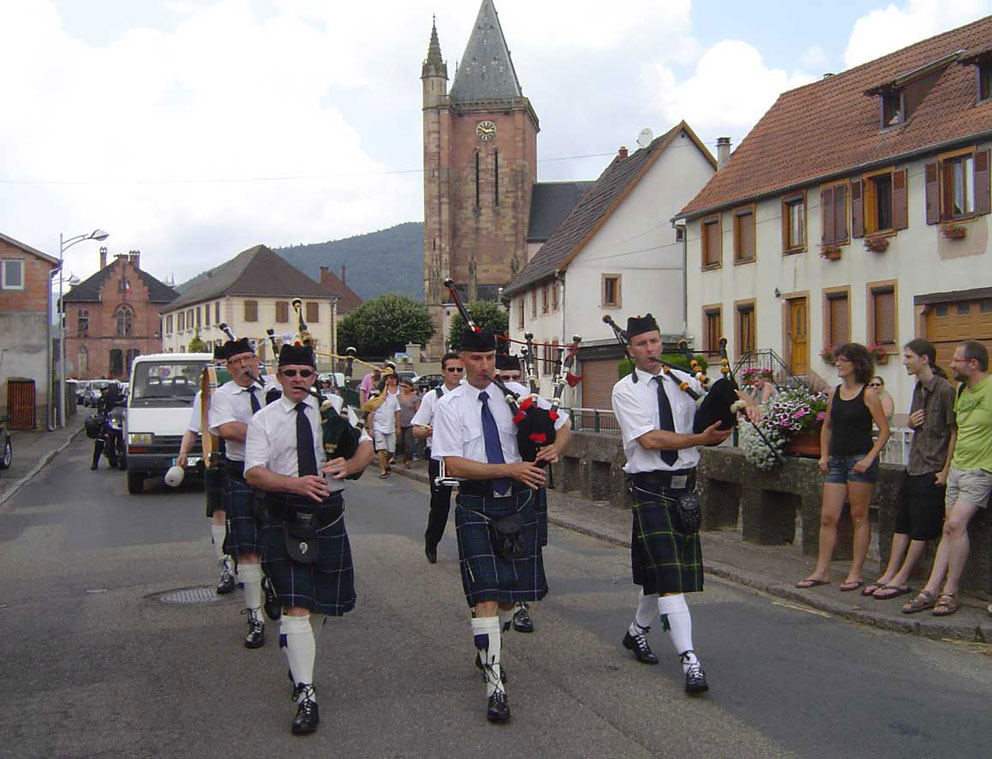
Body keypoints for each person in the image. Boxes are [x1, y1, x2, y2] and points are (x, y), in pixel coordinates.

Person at [432, 327, 570, 723]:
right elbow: (451, 464)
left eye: (490, 358)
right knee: (486, 594)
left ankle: (489, 643)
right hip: (476, 503)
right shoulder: (450, 405)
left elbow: (564, 422)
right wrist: (508, 468)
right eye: (476, 359)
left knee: (509, 597)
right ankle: (495, 684)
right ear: (461, 361)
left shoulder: (515, 397)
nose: (484, 366)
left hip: (517, 504)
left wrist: (554, 448)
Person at [245, 343, 374, 735]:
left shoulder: (335, 407)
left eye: (305, 373)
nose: (299, 380)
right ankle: (305, 691)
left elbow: (367, 445)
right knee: (296, 606)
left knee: (316, 607)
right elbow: (253, 472)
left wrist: (350, 464)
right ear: (279, 377)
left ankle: (301, 665)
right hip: (284, 513)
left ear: (314, 376)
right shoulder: (264, 419)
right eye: (291, 374)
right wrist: (294, 484)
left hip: (329, 512)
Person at [611, 314, 731, 695]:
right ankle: (690, 661)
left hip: (684, 490)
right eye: (643, 344)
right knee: (671, 578)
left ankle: (636, 632)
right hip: (649, 488)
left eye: (656, 341)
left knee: (659, 575)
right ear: (630, 351)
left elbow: (712, 412)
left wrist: (738, 406)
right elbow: (649, 440)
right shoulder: (624, 390)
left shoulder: (685, 381)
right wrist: (698, 438)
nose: (651, 349)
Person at [902, 340, 992, 617]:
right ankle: (931, 589)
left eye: (956, 360)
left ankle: (950, 591)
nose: (951, 364)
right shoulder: (962, 390)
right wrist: (947, 467)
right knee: (948, 530)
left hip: (981, 469)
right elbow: (956, 431)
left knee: (955, 523)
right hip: (956, 470)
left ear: (972, 363)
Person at [864, 339, 956, 600]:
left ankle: (902, 578)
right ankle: (889, 574)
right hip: (913, 465)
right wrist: (914, 424)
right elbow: (919, 424)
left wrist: (946, 470)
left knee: (922, 527)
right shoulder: (918, 388)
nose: (904, 361)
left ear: (925, 359)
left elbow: (953, 432)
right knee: (901, 523)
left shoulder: (945, 390)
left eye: (908, 357)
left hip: (932, 468)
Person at [797, 343, 890, 592]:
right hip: (837, 460)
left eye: (843, 360)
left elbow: (884, 431)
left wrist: (869, 458)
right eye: (837, 360)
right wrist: (824, 455)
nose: (838, 364)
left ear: (856, 365)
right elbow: (827, 426)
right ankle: (822, 570)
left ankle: (856, 572)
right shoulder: (835, 393)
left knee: (859, 516)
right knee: (828, 517)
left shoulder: (868, 394)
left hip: (859, 459)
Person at [208, 337, 279, 648]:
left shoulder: (274, 386)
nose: (244, 366)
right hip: (242, 475)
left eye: (249, 359)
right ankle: (255, 616)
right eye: (237, 362)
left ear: (257, 360)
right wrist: (272, 431)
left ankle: (273, 586)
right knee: (247, 549)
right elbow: (228, 430)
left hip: (278, 473)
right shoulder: (223, 395)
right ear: (228, 367)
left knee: (276, 542)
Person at [178, 346, 235, 594]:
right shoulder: (205, 394)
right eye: (217, 364)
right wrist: (182, 453)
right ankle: (226, 567)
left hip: (245, 457)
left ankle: (254, 568)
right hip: (217, 457)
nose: (219, 369)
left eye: (225, 363)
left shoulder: (249, 391)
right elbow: (194, 428)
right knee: (220, 513)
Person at [495, 353, 537, 633]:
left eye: (515, 378)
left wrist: (552, 447)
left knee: (528, 549)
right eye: (505, 378)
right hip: (492, 484)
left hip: (529, 483)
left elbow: (560, 428)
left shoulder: (528, 399)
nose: (512, 383)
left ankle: (522, 605)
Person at [411, 352, 464, 564]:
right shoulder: (432, 397)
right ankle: (431, 542)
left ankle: (469, 546)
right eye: (451, 370)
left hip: (465, 457)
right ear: (443, 371)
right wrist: (431, 431)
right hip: (440, 459)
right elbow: (416, 430)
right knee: (440, 506)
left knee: (468, 504)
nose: (456, 374)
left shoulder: (469, 394)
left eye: (459, 369)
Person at [369, 374, 401, 478]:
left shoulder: (393, 398)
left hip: (390, 427)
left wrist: (398, 427)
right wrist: (371, 429)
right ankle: (383, 470)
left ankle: (385, 463)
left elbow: (397, 413)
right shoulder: (374, 399)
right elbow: (370, 414)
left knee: (391, 451)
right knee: (381, 449)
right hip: (378, 427)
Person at [90, 383, 124, 469]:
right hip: (108, 421)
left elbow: (124, 409)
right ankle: (95, 462)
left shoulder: (121, 398)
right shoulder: (102, 400)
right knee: (100, 439)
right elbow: (101, 411)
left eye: (108, 390)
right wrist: (100, 418)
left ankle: (124, 458)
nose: (106, 392)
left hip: (119, 422)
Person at [396, 380, 421, 470]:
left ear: (410, 387)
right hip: (399, 422)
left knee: (409, 443)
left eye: (405, 386)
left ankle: (408, 460)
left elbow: (418, 411)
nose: (403, 388)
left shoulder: (415, 398)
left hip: (410, 423)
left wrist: (417, 423)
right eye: (402, 386)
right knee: (400, 442)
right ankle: (402, 457)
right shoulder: (398, 397)